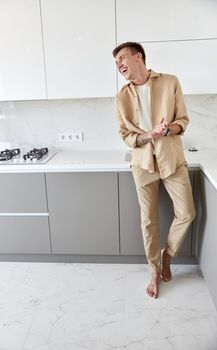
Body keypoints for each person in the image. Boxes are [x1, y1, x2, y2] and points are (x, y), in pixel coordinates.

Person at [113, 42, 196, 298]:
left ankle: (167, 255)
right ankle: (154, 270)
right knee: (148, 220)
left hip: (172, 159)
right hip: (143, 164)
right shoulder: (121, 97)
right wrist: (150, 134)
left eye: (123, 59)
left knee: (187, 213)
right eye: (116, 63)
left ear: (138, 57)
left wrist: (168, 129)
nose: (119, 66)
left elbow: (183, 120)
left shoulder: (170, 82)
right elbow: (125, 135)